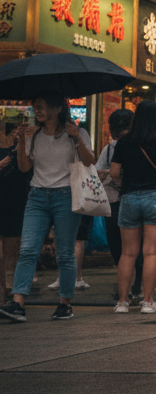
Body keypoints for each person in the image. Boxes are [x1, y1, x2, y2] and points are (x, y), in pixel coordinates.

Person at [1, 92, 96, 322]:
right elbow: (24, 168)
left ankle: (65, 303)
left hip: (66, 196)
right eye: (35, 107)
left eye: (42, 106)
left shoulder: (77, 132)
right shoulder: (34, 135)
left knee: (64, 254)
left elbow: (89, 160)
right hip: (37, 197)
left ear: (57, 108)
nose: (38, 111)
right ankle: (18, 303)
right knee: (28, 250)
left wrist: (77, 139)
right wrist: (23, 140)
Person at [109, 100, 156, 314]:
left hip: (129, 199)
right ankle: (148, 303)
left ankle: (122, 302)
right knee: (151, 253)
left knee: (127, 253)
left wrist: (126, 186)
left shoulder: (124, 142)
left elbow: (113, 173)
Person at [96, 109, 142, 302]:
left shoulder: (132, 146)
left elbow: (101, 173)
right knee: (125, 246)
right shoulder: (112, 148)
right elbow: (99, 173)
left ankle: (132, 285)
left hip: (124, 201)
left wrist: (112, 173)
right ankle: (131, 284)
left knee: (127, 246)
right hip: (122, 201)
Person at [0, 122, 32, 300]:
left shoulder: (22, 150)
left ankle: (6, 288)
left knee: (11, 254)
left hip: (16, 202)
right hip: (11, 202)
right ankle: (2, 291)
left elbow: (26, 170)